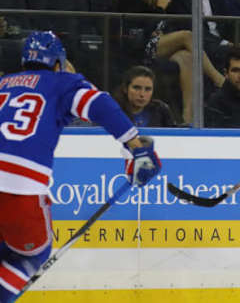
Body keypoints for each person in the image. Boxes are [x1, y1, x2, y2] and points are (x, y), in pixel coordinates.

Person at [0, 31, 161, 303]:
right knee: (33, 252)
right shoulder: (62, 82)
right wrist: (136, 147)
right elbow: (100, 104)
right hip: (20, 186)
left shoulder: (3, 83)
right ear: (57, 63)